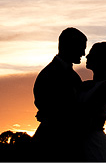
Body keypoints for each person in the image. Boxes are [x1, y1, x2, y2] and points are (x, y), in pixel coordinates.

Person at [33, 27, 87, 161]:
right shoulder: (48, 74)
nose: (83, 53)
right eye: (81, 47)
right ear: (69, 46)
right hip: (52, 146)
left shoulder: (74, 77)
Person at [77, 42, 106, 161]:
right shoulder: (86, 84)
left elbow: (88, 118)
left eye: (92, 54)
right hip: (82, 143)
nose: (87, 56)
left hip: (94, 146)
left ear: (101, 59)